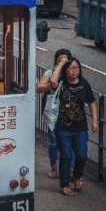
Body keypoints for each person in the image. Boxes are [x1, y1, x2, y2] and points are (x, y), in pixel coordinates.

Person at [50, 55, 98, 196]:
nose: (74, 71)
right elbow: (52, 81)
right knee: (66, 157)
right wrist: (60, 64)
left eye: (77, 68)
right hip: (63, 128)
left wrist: (94, 120)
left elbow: (91, 102)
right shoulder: (60, 83)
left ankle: (77, 176)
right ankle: (64, 185)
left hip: (80, 128)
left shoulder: (84, 83)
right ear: (65, 70)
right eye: (71, 68)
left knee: (82, 156)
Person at [36, 48, 74, 179]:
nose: (61, 63)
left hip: (69, 113)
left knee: (70, 142)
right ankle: (54, 168)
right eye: (59, 61)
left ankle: (71, 170)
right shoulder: (50, 73)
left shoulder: (73, 74)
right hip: (54, 113)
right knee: (53, 142)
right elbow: (39, 88)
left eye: (64, 60)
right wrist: (52, 86)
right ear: (55, 61)